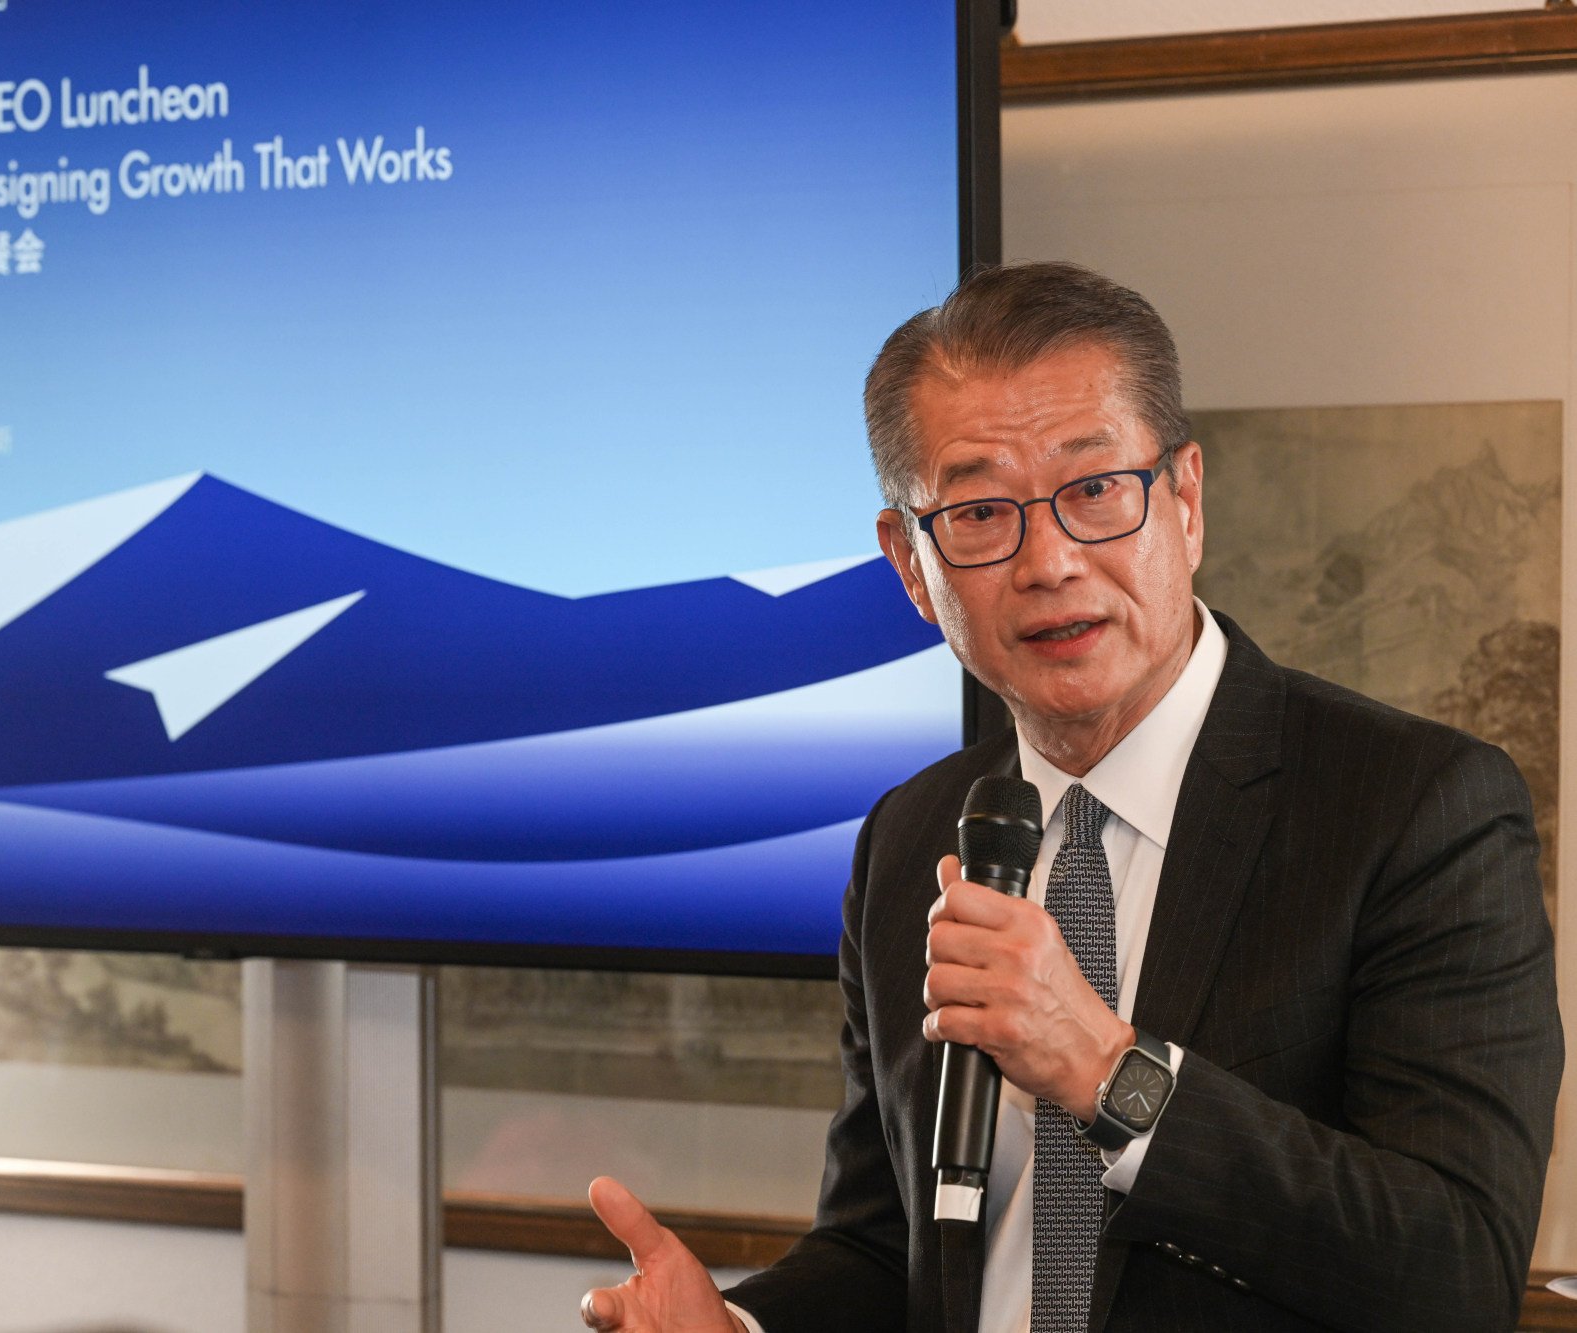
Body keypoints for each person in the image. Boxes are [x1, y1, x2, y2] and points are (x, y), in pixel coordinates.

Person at [578, 261, 1564, 1332]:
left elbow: (1454, 1270)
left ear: (1184, 501)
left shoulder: (1414, 808)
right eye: (981, 512)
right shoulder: (910, 837)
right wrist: (740, 1326)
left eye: (1094, 491)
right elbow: (891, 1239)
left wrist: (1106, 1069)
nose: (1048, 561)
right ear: (911, 567)